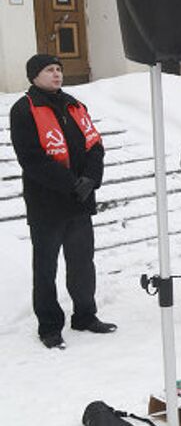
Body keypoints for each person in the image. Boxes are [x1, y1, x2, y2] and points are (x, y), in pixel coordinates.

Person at [10, 54, 116, 349]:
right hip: (47, 204)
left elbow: (95, 145)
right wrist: (72, 183)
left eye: (58, 69)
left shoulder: (75, 105)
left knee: (82, 263)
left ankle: (85, 315)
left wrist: (91, 179)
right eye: (49, 70)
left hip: (80, 202)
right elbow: (31, 159)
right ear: (34, 76)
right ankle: (49, 326)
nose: (56, 74)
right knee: (46, 268)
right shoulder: (24, 109)